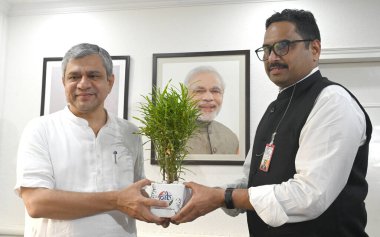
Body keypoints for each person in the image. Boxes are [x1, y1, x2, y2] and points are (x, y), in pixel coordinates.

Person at [171, 9, 372, 237]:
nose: (272, 57)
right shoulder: (275, 108)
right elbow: (251, 181)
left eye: (283, 46)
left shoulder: (332, 101)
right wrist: (208, 194)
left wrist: (222, 197)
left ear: (314, 49)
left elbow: (309, 196)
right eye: (266, 49)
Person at [15, 43, 169, 237]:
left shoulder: (129, 132)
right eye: (74, 76)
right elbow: (36, 203)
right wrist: (116, 200)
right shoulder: (40, 130)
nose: (83, 84)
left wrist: (164, 206)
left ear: (110, 82)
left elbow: (133, 196)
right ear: (64, 82)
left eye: (93, 75)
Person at [184, 65, 239, 154]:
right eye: (199, 91)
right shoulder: (169, 135)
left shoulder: (231, 138)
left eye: (215, 91)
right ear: (185, 95)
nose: (208, 97)